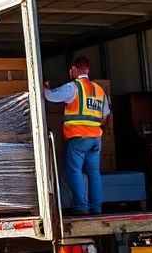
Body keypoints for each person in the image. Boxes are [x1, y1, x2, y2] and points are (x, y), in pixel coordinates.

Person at [44, 56, 110, 215]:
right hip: (96, 139)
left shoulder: (73, 87)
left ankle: (81, 207)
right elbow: (106, 115)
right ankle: (96, 207)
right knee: (94, 173)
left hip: (78, 139)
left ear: (74, 69)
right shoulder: (99, 89)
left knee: (75, 171)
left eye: (71, 70)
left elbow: (50, 96)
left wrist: (44, 87)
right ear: (88, 70)